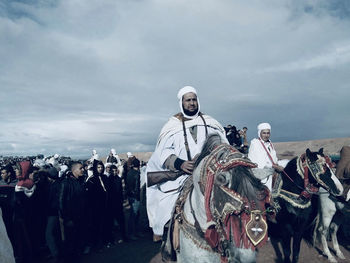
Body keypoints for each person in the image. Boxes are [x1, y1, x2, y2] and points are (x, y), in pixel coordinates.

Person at [146, 86, 227, 241]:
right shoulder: (172, 126)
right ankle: (169, 246)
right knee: (166, 209)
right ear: (182, 103)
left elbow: (223, 145)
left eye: (194, 99)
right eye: (188, 100)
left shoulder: (210, 123)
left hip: (210, 174)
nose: (191, 103)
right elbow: (163, 152)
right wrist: (181, 164)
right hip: (182, 176)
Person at [248, 122, 286, 191]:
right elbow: (259, 162)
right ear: (260, 133)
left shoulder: (269, 143)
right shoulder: (255, 143)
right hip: (259, 170)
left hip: (272, 168)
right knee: (269, 182)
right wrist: (275, 167)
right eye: (264, 133)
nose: (266, 135)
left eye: (268, 133)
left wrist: (277, 164)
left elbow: (273, 158)